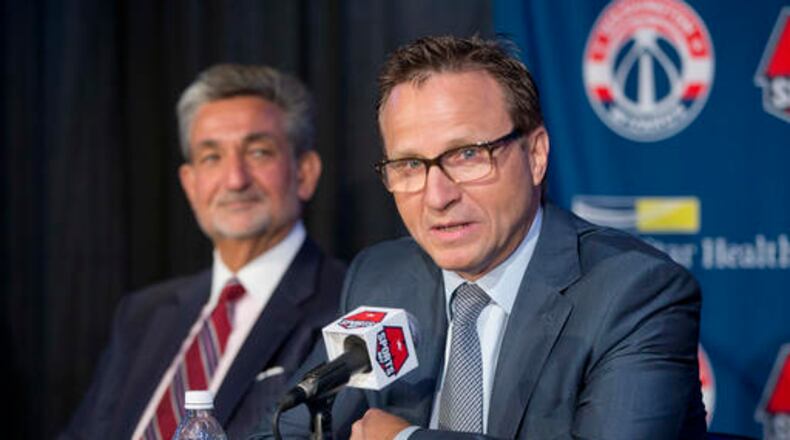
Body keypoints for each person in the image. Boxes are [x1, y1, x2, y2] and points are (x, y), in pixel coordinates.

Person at [255, 36, 706, 439]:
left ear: (535, 155)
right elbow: (290, 427)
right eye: (410, 165)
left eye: (467, 155)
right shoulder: (382, 277)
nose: (437, 196)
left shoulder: (633, 292)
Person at [60, 64, 346, 440]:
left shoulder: (347, 303)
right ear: (190, 184)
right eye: (212, 157)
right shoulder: (141, 316)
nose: (235, 179)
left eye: (258, 152)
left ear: (305, 173)